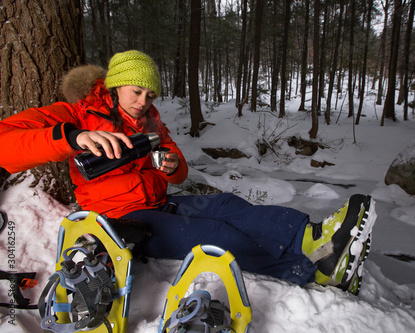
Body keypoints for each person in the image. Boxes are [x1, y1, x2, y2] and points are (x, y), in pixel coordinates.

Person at [0, 50, 376, 293]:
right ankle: (314, 270)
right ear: (114, 88)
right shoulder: (76, 113)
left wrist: (172, 165)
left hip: (161, 202)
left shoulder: (150, 120)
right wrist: (74, 137)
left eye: (150, 96)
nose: (143, 102)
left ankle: (311, 237)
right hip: (120, 221)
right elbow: (5, 143)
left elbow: (176, 172)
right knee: (213, 234)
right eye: (136, 93)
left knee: (228, 205)